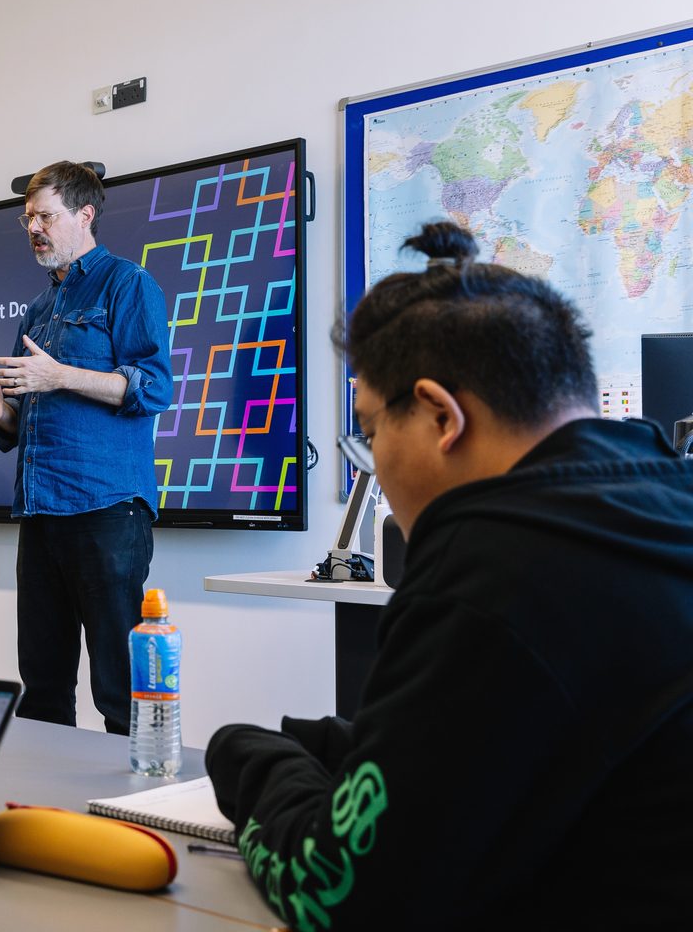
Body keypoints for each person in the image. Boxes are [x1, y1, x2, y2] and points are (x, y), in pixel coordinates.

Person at [206, 222, 693, 930]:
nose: (374, 458)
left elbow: (340, 897)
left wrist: (247, 759)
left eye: (371, 432)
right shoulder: (662, 504)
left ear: (440, 415)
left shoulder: (496, 570)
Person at [0, 160, 171, 734]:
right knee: (43, 685)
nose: (34, 228)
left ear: (84, 215)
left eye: (46, 216)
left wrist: (62, 376)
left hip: (106, 510)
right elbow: (23, 424)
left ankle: (130, 811)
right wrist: (3, 414)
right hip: (40, 514)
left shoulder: (128, 284)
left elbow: (154, 387)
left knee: (119, 689)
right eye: (27, 218)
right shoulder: (38, 309)